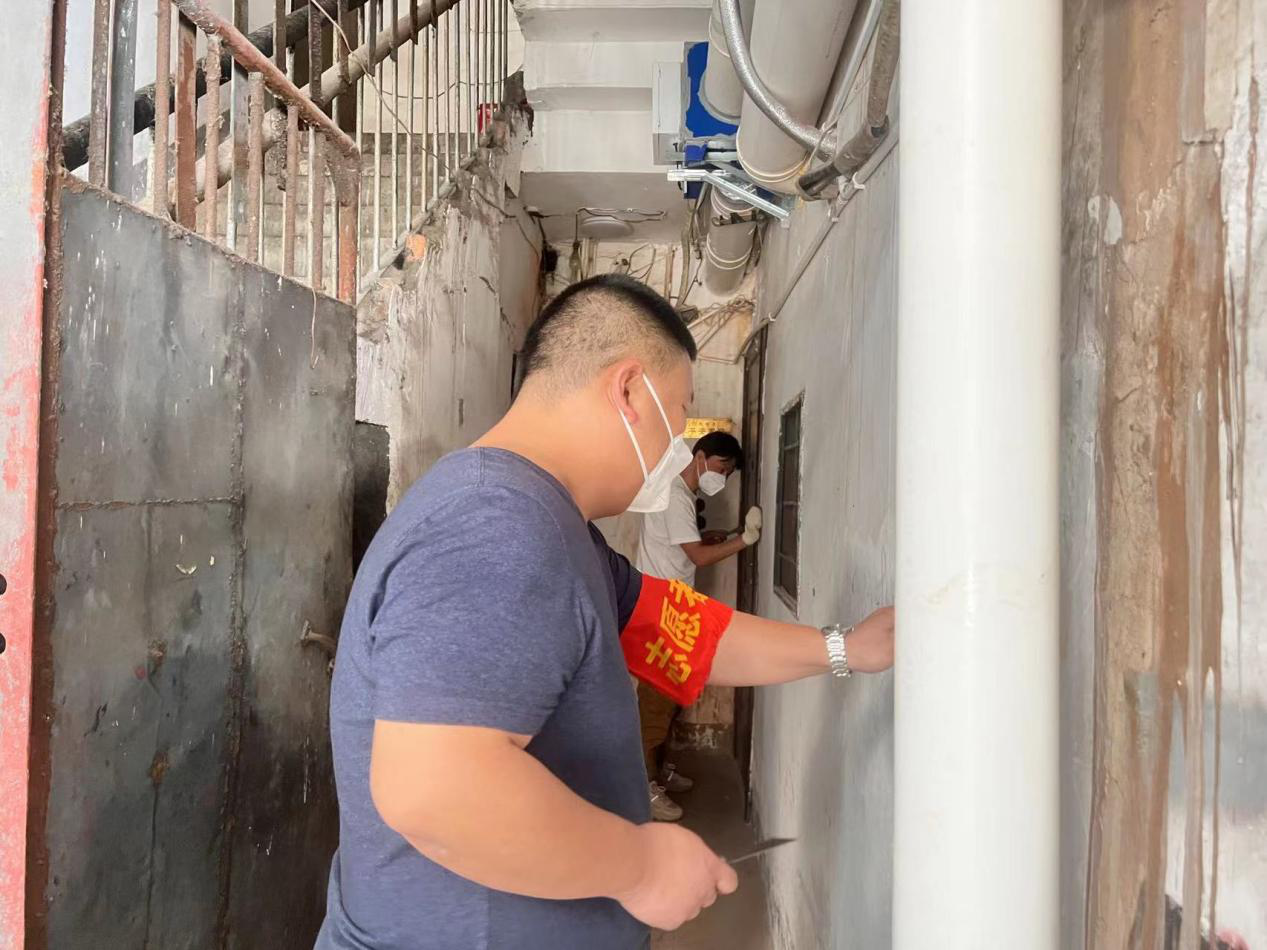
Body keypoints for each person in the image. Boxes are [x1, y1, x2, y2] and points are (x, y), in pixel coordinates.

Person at [315, 274, 895, 950]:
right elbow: (434, 789)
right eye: (676, 418)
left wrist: (844, 648)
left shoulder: (556, 527)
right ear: (627, 391)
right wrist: (639, 866)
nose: (676, 451)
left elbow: (687, 633)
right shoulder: (496, 525)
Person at [634, 430, 758, 821]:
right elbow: (698, 558)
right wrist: (744, 541)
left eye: (730, 472)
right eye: (723, 466)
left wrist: (708, 537)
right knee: (656, 700)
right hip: (659, 610)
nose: (723, 476)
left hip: (669, 605)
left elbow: (684, 545)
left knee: (669, 696)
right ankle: (643, 787)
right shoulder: (675, 495)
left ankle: (658, 772)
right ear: (701, 455)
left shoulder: (681, 494)